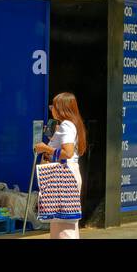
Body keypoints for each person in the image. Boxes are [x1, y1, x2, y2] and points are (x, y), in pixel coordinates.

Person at [34, 92, 89, 238]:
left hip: (64, 177)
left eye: (53, 106)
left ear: (61, 108)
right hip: (68, 175)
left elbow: (68, 153)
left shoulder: (66, 125)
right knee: (64, 222)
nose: (51, 109)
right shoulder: (70, 125)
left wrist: (45, 148)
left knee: (63, 224)